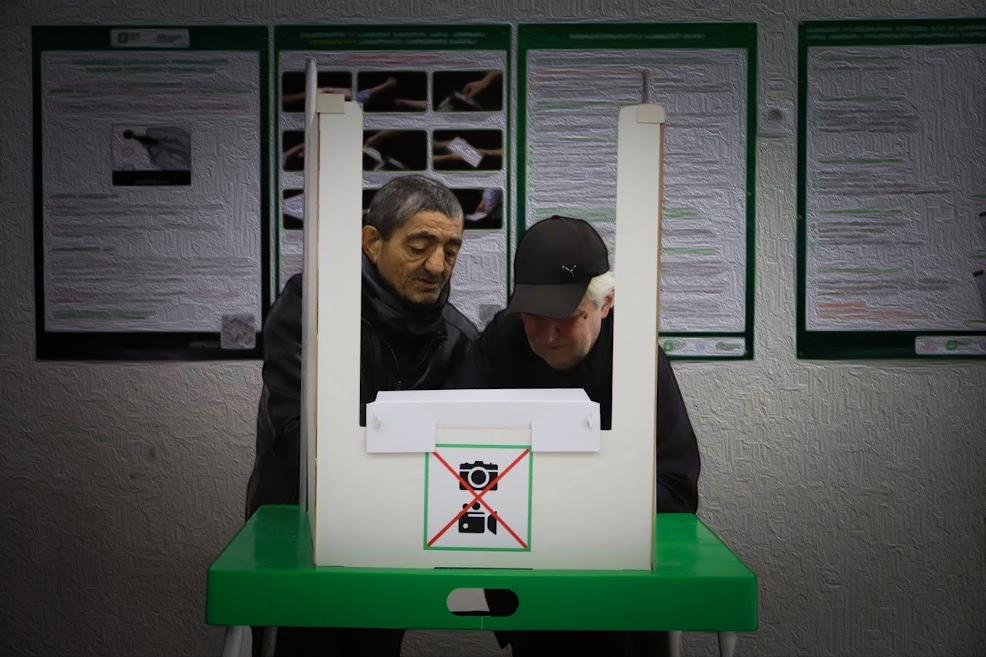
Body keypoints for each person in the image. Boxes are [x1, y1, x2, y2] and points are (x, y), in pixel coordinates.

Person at [245, 174, 478, 657]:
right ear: (372, 242)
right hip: (299, 528)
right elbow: (296, 439)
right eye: (420, 245)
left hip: (397, 541)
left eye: (451, 250)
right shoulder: (311, 311)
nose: (437, 266)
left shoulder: (458, 338)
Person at [450, 215, 701, 657]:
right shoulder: (503, 340)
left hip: (621, 584)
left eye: (567, 318)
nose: (546, 336)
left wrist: (560, 494)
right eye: (533, 316)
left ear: (606, 305)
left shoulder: (636, 358)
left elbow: (677, 491)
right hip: (528, 579)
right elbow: (453, 447)